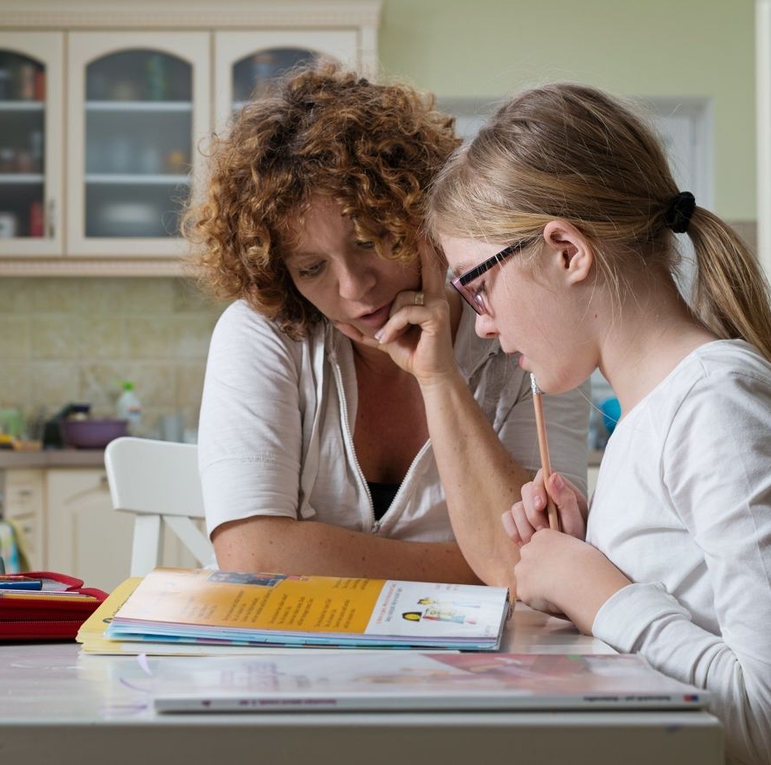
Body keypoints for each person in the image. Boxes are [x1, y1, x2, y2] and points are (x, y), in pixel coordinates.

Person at [375, 82, 771, 764]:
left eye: (477, 285)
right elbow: (685, 619)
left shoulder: (719, 409)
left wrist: (598, 591)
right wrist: (586, 561)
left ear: (566, 252)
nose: (484, 323)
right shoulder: (657, 411)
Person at [183, 65, 590, 584]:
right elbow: (252, 557)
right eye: (312, 268)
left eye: (371, 240)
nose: (353, 289)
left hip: (467, 665)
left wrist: (440, 379)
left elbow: (546, 562)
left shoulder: (529, 338)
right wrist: (479, 565)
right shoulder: (263, 333)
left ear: (419, 216)